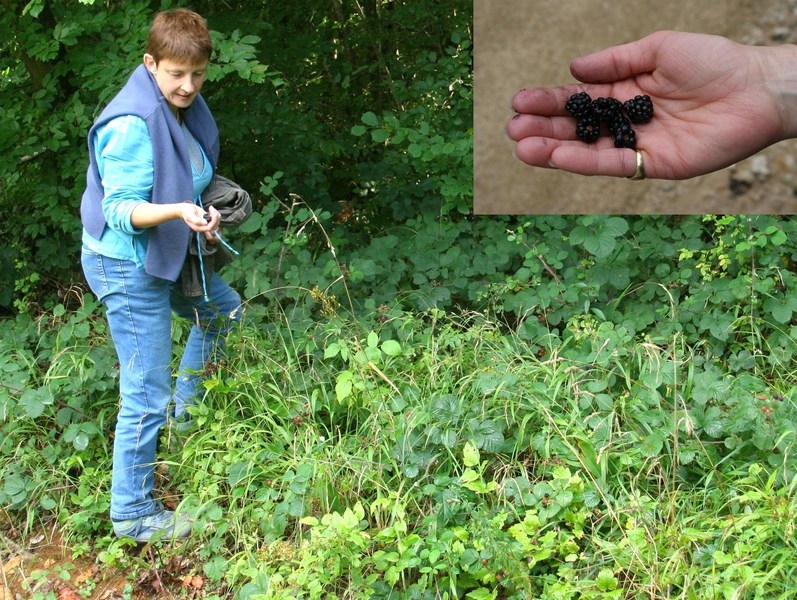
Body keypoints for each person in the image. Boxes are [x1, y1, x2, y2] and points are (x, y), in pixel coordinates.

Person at [80, 8, 242, 542]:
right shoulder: (132, 123)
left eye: (197, 73)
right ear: (150, 64)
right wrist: (177, 212)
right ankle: (132, 512)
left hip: (168, 249)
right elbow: (120, 209)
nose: (188, 85)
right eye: (175, 74)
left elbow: (191, 175)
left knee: (224, 312)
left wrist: (206, 209)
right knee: (144, 388)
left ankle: (186, 419)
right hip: (126, 264)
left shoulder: (182, 108)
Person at [506, 30, 797, 180]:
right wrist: (765, 75)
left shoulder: (614, 116)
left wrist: (761, 74)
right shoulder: (609, 115)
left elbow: (614, 121)